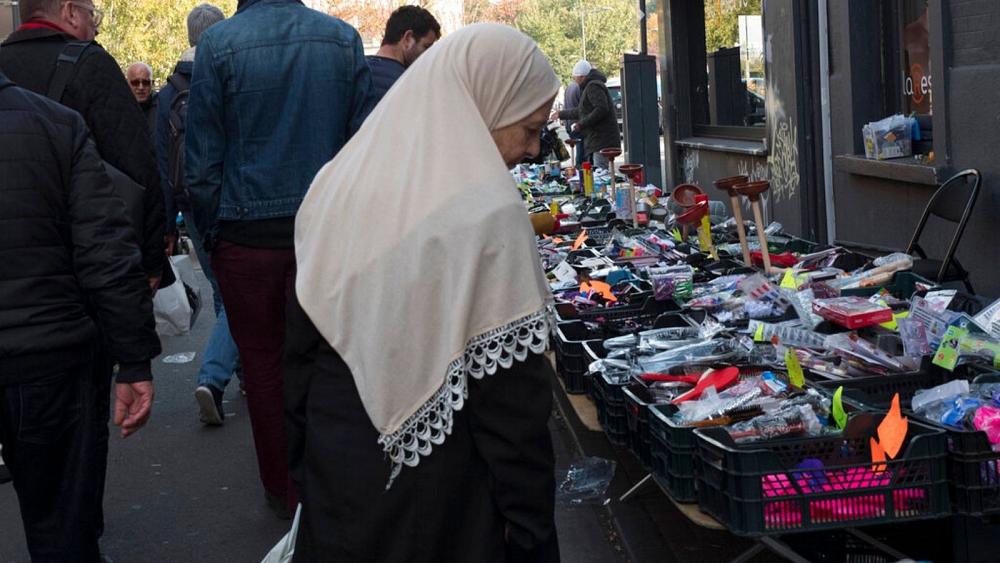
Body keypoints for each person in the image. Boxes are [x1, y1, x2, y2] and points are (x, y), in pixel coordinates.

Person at [286, 24, 560, 562]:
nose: (529, 150)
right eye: (527, 129)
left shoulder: (336, 183)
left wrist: (308, 469)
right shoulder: (489, 211)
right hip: (442, 504)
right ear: (485, 100)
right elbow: (513, 414)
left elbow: (300, 350)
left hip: (339, 473)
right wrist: (532, 538)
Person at [186, 0, 375, 520]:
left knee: (264, 368)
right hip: (326, 233)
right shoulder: (339, 39)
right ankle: (337, 483)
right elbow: (364, 146)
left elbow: (201, 160)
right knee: (334, 361)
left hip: (248, 236)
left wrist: (213, 235)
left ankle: (285, 490)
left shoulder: (219, 44)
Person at [0, 0, 168, 541]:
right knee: (62, 506)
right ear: (69, 11)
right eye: (93, 10)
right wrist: (134, 348)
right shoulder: (86, 68)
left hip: (46, 323)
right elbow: (132, 176)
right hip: (58, 325)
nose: (96, 20)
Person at [0, 0, 167, 290]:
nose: (96, 28)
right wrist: (151, 260)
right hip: (84, 265)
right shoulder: (92, 64)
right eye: (93, 15)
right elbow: (138, 164)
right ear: (70, 12)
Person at [154, 2, 239, 426]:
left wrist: (168, 226)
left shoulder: (168, 92)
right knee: (237, 298)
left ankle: (235, 368)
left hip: (192, 207)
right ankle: (215, 375)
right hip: (232, 200)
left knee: (226, 291)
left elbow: (158, 164)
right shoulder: (227, 73)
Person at [367, 5, 440, 103]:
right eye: (426, 47)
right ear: (408, 39)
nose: (429, 55)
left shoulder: (355, 71)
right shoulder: (409, 84)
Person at [556, 62, 620, 170]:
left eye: (575, 77)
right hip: (599, 139)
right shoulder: (590, 86)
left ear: (581, 77)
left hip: (601, 139)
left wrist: (581, 124)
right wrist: (560, 114)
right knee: (598, 171)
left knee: (600, 172)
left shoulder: (593, 86)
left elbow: (601, 109)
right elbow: (582, 111)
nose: (575, 80)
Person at [563, 59, 589, 167]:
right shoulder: (579, 88)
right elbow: (582, 109)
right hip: (578, 124)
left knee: (579, 149)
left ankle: (578, 168)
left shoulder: (569, 87)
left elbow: (566, 106)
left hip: (569, 124)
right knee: (582, 152)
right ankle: (580, 170)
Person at [126, 61, 158, 134]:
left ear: (152, 84)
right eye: (135, 83)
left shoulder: (162, 109)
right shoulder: (118, 109)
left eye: (146, 82)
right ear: (127, 84)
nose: (141, 87)